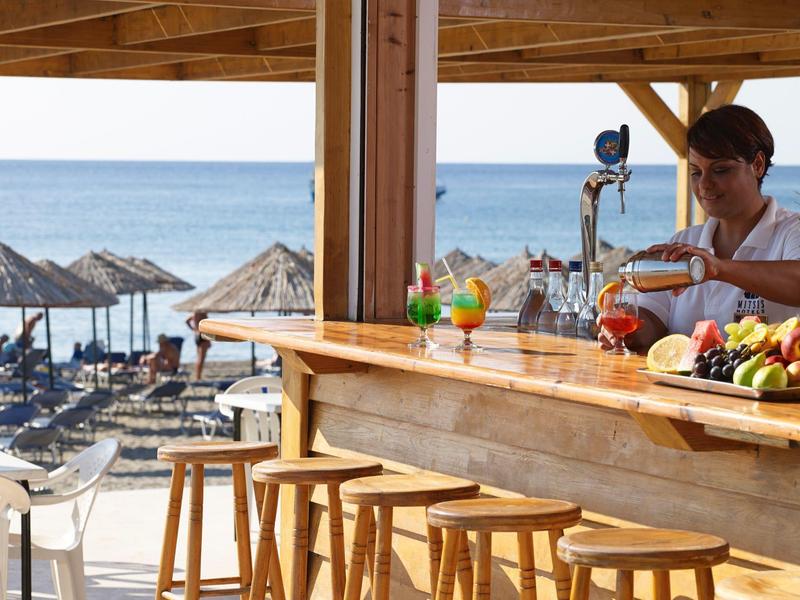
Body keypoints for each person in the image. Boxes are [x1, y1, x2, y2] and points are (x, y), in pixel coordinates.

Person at [601, 104, 800, 351]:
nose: (705, 184)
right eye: (696, 172)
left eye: (720, 170)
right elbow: (651, 319)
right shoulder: (686, 240)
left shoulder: (792, 230)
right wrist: (624, 330)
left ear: (757, 165)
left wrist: (718, 268)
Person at [186, 311, 211, 380]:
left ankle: (198, 375)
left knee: (199, 358)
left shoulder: (194, 313)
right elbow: (206, 326)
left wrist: (194, 329)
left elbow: (187, 321)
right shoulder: (202, 313)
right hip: (202, 335)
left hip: (197, 334)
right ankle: (198, 376)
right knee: (201, 358)